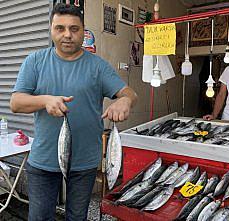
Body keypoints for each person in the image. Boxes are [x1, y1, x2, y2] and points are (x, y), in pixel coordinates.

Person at [10, 3, 137, 221]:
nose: (67, 35)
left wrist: (124, 101)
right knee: (39, 217)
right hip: (43, 160)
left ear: (83, 30)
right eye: (60, 28)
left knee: (77, 217)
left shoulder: (98, 66)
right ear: (51, 29)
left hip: (85, 162)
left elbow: (129, 94)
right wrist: (45, 100)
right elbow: (16, 102)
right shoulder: (35, 61)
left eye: (74, 29)